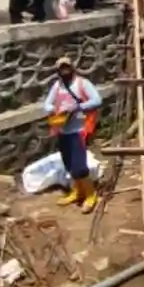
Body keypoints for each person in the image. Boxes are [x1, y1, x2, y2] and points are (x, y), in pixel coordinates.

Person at [42, 57, 104, 213]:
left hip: (79, 130)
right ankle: (77, 191)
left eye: (67, 67)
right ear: (58, 71)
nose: (65, 71)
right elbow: (47, 103)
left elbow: (97, 100)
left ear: (72, 68)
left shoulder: (82, 83)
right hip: (62, 129)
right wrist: (51, 110)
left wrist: (77, 107)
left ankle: (91, 194)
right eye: (61, 68)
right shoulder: (57, 86)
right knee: (68, 163)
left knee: (79, 166)